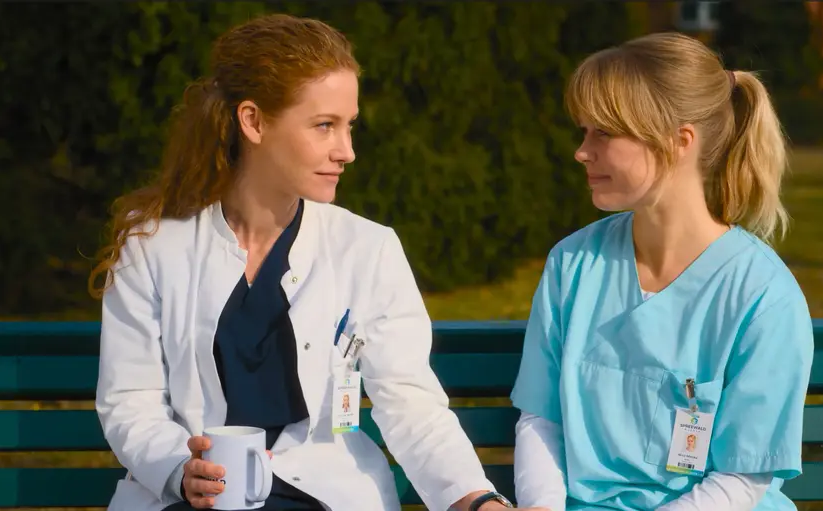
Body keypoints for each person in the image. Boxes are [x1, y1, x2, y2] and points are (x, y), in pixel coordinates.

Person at [89, 14, 544, 511]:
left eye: (349, 126)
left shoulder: (366, 249)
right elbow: (130, 400)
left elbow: (411, 403)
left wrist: (475, 500)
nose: (346, 151)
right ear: (253, 121)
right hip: (192, 499)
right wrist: (180, 468)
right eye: (324, 126)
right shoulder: (153, 244)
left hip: (319, 496)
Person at [509, 32, 814, 511]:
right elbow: (541, 418)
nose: (582, 151)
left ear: (679, 141)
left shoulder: (763, 296)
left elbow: (742, 476)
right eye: (584, 131)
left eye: (604, 133)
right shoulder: (572, 264)